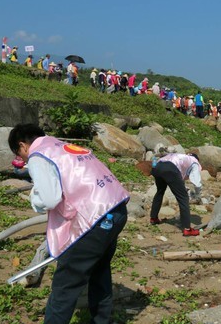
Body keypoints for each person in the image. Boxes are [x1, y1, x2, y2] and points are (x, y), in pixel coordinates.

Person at [7, 124, 129, 324]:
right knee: (100, 271)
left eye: (20, 154)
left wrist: (33, 198)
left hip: (95, 218)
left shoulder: (39, 155)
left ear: (22, 146)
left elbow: (49, 199)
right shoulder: (60, 145)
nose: (23, 159)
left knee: (65, 284)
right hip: (116, 208)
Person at [136, 153, 202, 236]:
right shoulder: (194, 162)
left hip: (157, 167)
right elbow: (197, 182)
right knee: (183, 198)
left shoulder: (181, 156)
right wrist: (197, 194)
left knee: (160, 191)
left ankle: (153, 218)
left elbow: (178, 176)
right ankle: (187, 229)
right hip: (170, 169)